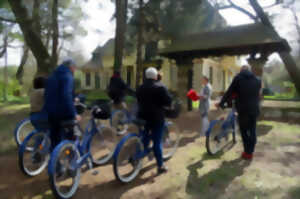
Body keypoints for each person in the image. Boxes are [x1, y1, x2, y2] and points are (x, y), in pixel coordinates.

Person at [217, 65, 261, 160]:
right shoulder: (258, 80)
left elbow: (229, 92)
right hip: (254, 110)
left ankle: (247, 153)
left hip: (243, 110)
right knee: (252, 131)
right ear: (249, 70)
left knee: (244, 131)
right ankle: (251, 151)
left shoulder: (238, 78)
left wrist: (221, 103)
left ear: (241, 71)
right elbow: (258, 95)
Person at [136, 67, 172, 174]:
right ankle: (160, 166)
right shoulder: (160, 87)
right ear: (155, 76)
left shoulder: (140, 87)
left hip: (142, 117)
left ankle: (142, 153)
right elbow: (168, 101)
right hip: (156, 118)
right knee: (157, 141)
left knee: (145, 136)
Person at [44, 58, 81, 149]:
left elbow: (50, 93)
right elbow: (66, 95)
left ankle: (55, 161)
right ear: (71, 67)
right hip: (63, 113)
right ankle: (71, 158)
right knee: (71, 137)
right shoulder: (67, 76)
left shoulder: (52, 75)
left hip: (50, 112)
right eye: (74, 68)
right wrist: (74, 113)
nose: (75, 70)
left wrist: (73, 98)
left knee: (55, 140)